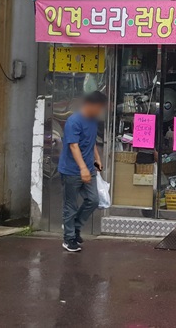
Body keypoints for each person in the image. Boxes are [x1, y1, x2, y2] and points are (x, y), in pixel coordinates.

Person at [59, 90, 107, 252]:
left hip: (88, 168)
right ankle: (69, 239)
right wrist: (83, 168)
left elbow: (91, 142)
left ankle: (75, 227)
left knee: (93, 200)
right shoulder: (74, 121)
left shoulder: (93, 121)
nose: (100, 111)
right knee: (70, 205)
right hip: (71, 170)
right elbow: (74, 146)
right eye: (99, 107)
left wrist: (97, 158)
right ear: (91, 105)